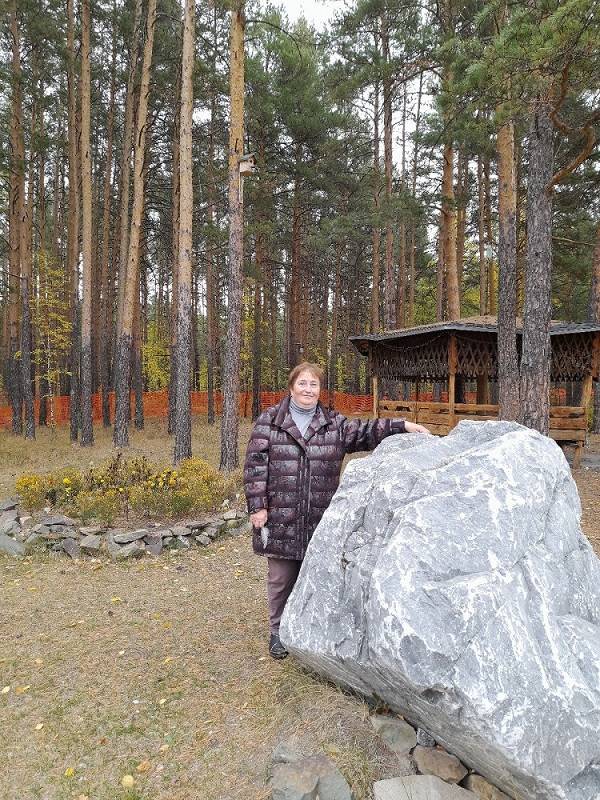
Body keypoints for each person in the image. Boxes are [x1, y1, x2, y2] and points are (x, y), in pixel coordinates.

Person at [243, 362, 429, 660]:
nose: (308, 390)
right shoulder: (270, 421)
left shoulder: (333, 423)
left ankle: (307, 629)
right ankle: (277, 631)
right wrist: (258, 506)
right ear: (291, 387)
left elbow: (367, 431)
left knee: (316, 576)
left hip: (320, 517)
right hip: (281, 516)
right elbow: (255, 466)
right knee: (281, 578)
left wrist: (402, 425)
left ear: (320, 389)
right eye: (302, 383)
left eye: (313, 384)